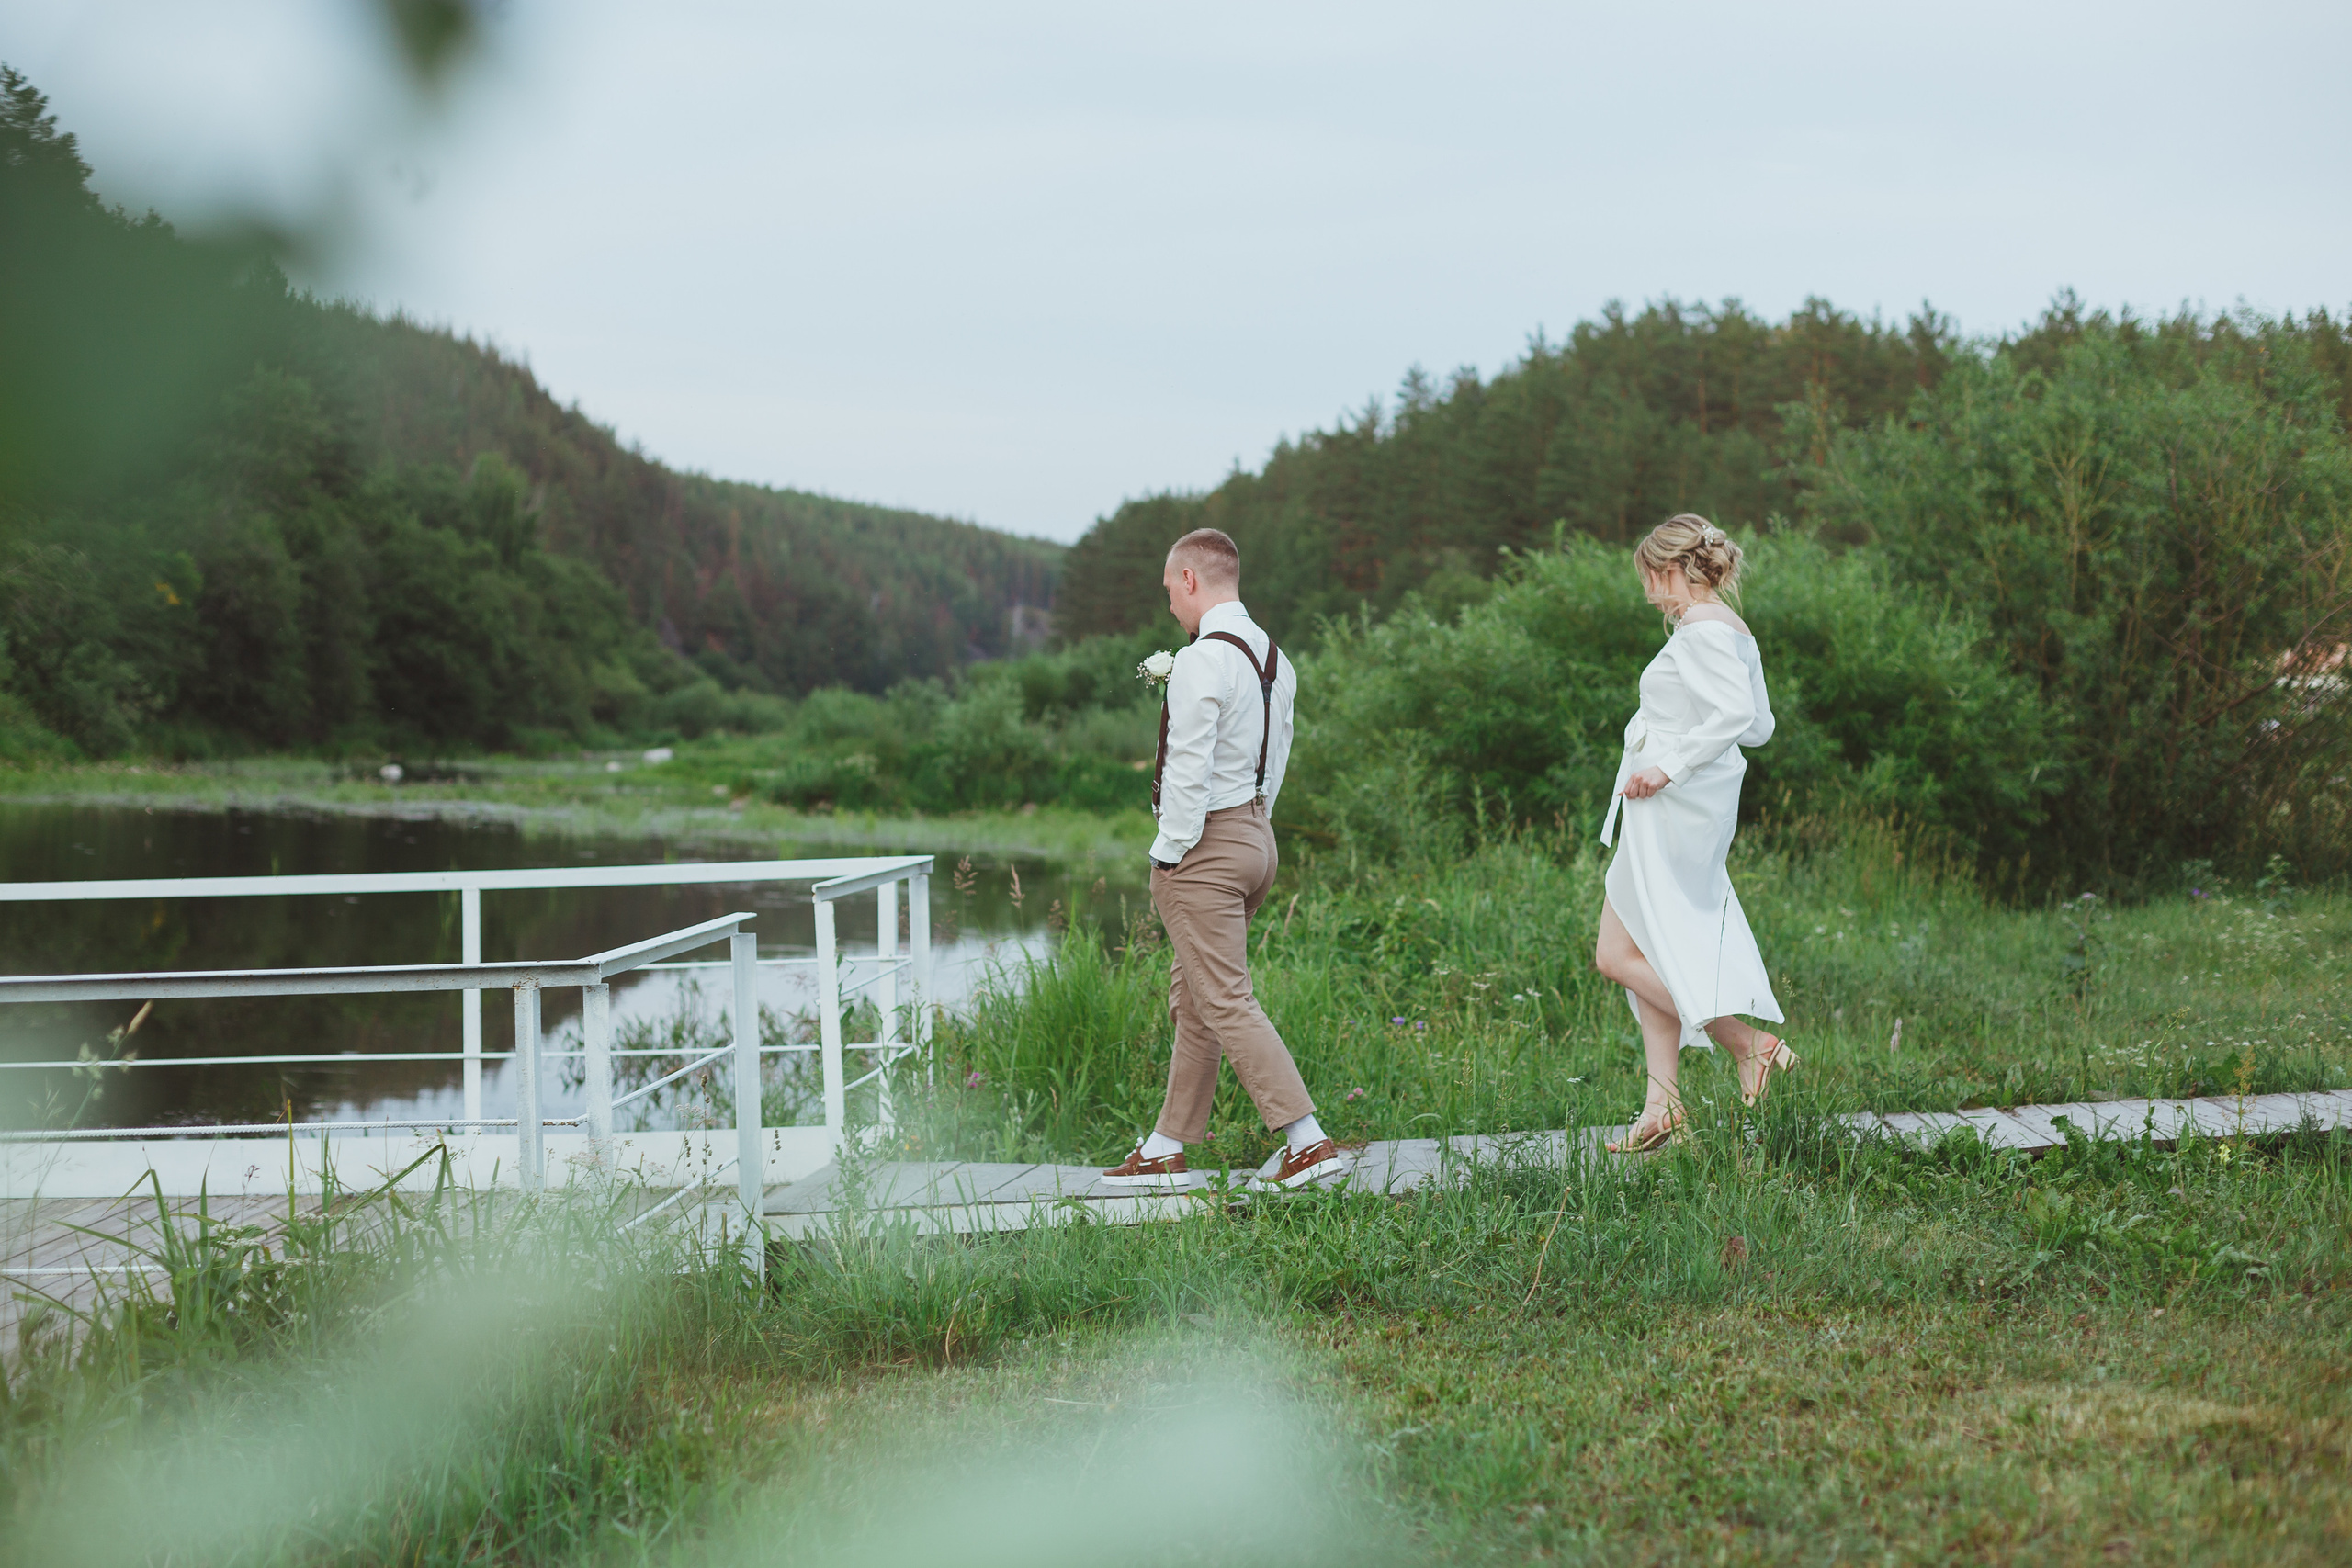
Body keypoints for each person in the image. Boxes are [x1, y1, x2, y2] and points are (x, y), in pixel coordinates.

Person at [1100, 527, 1341, 1190]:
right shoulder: (1275, 659)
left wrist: (1170, 851)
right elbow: (1276, 758)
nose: (1169, 606)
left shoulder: (1203, 658)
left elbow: (1188, 766)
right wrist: (1254, 826)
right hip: (1257, 837)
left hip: (1205, 847)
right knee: (1197, 995)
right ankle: (1166, 1145)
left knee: (1226, 998)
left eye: (1169, 590)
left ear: (1189, 580)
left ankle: (1307, 1142)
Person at [1593, 514, 1794, 1153]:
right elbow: (1759, 725)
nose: (1647, 591)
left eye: (1649, 576)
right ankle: (1663, 1106)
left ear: (1673, 568)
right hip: (1675, 806)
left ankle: (1748, 1044)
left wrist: (1668, 765)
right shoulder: (1725, 626)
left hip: (1670, 805)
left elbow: (1735, 714)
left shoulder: (1703, 625)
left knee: (1616, 955)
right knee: (1646, 946)